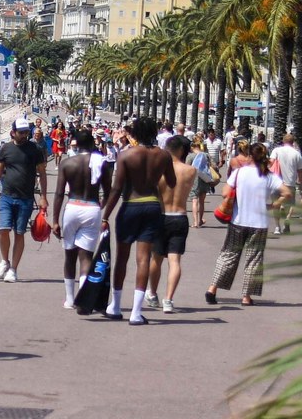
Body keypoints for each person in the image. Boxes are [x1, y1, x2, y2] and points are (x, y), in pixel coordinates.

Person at [100, 117, 176, 325]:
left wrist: (105, 215)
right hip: (152, 206)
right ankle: (135, 312)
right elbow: (171, 182)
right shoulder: (163, 155)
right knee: (143, 259)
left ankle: (115, 306)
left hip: (130, 205)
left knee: (122, 258)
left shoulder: (126, 155)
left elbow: (116, 189)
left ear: (135, 134)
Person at [207, 143, 290, 306]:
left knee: (228, 255)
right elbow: (286, 193)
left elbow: (225, 192)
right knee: (254, 259)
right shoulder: (268, 176)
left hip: (238, 220)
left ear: (249, 156)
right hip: (259, 223)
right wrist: (273, 205)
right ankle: (246, 296)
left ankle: (212, 289)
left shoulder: (239, 173)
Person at [0, 118, 49, 283]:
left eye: (26, 132)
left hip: (25, 198)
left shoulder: (34, 149)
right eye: (21, 132)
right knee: (3, 229)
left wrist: (43, 197)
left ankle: (13, 270)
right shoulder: (6, 148)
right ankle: (5, 261)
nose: (25, 135)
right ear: (13, 132)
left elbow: (42, 173)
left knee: (19, 233)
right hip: (6, 196)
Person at [50, 130, 110, 310]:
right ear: (92, 144)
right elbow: (109, 191)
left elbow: (60, 193)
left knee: (70, 255)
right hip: (92, 207)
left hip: (72, 207)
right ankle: (84, 298)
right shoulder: (101, 163)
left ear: (76, 144)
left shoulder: (68, 163)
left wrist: (55, 221)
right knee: (86, 257)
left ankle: (69, 299)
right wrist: (102, 206)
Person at [147, 135, 197, 313]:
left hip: (162, 215)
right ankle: (168, 299)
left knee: (157, 258)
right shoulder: (190, 170)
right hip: (180, 217)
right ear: (183, 150)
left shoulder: (159, 170)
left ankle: (152, 294)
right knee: (175, 260)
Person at [268, 134, 302, 234]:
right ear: (293, 142)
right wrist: (301, 182)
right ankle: (287, 220)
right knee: (291, 204)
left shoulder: (276, 150)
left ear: (283, 141)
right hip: (290, 182)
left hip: (276, 182)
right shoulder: (297, 153)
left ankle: (277, 227)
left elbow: (270, 163)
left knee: (276, 205)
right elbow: (300, 171)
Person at [189, 137, 215, 228]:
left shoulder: (190, 156)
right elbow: (214, 165)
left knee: (194, 201)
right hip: (204, 179)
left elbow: (186, 168)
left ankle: (195, 222)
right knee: (202, 201)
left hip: (194, 181)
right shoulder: (206, 155)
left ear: (192, 146)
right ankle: (200, 220)